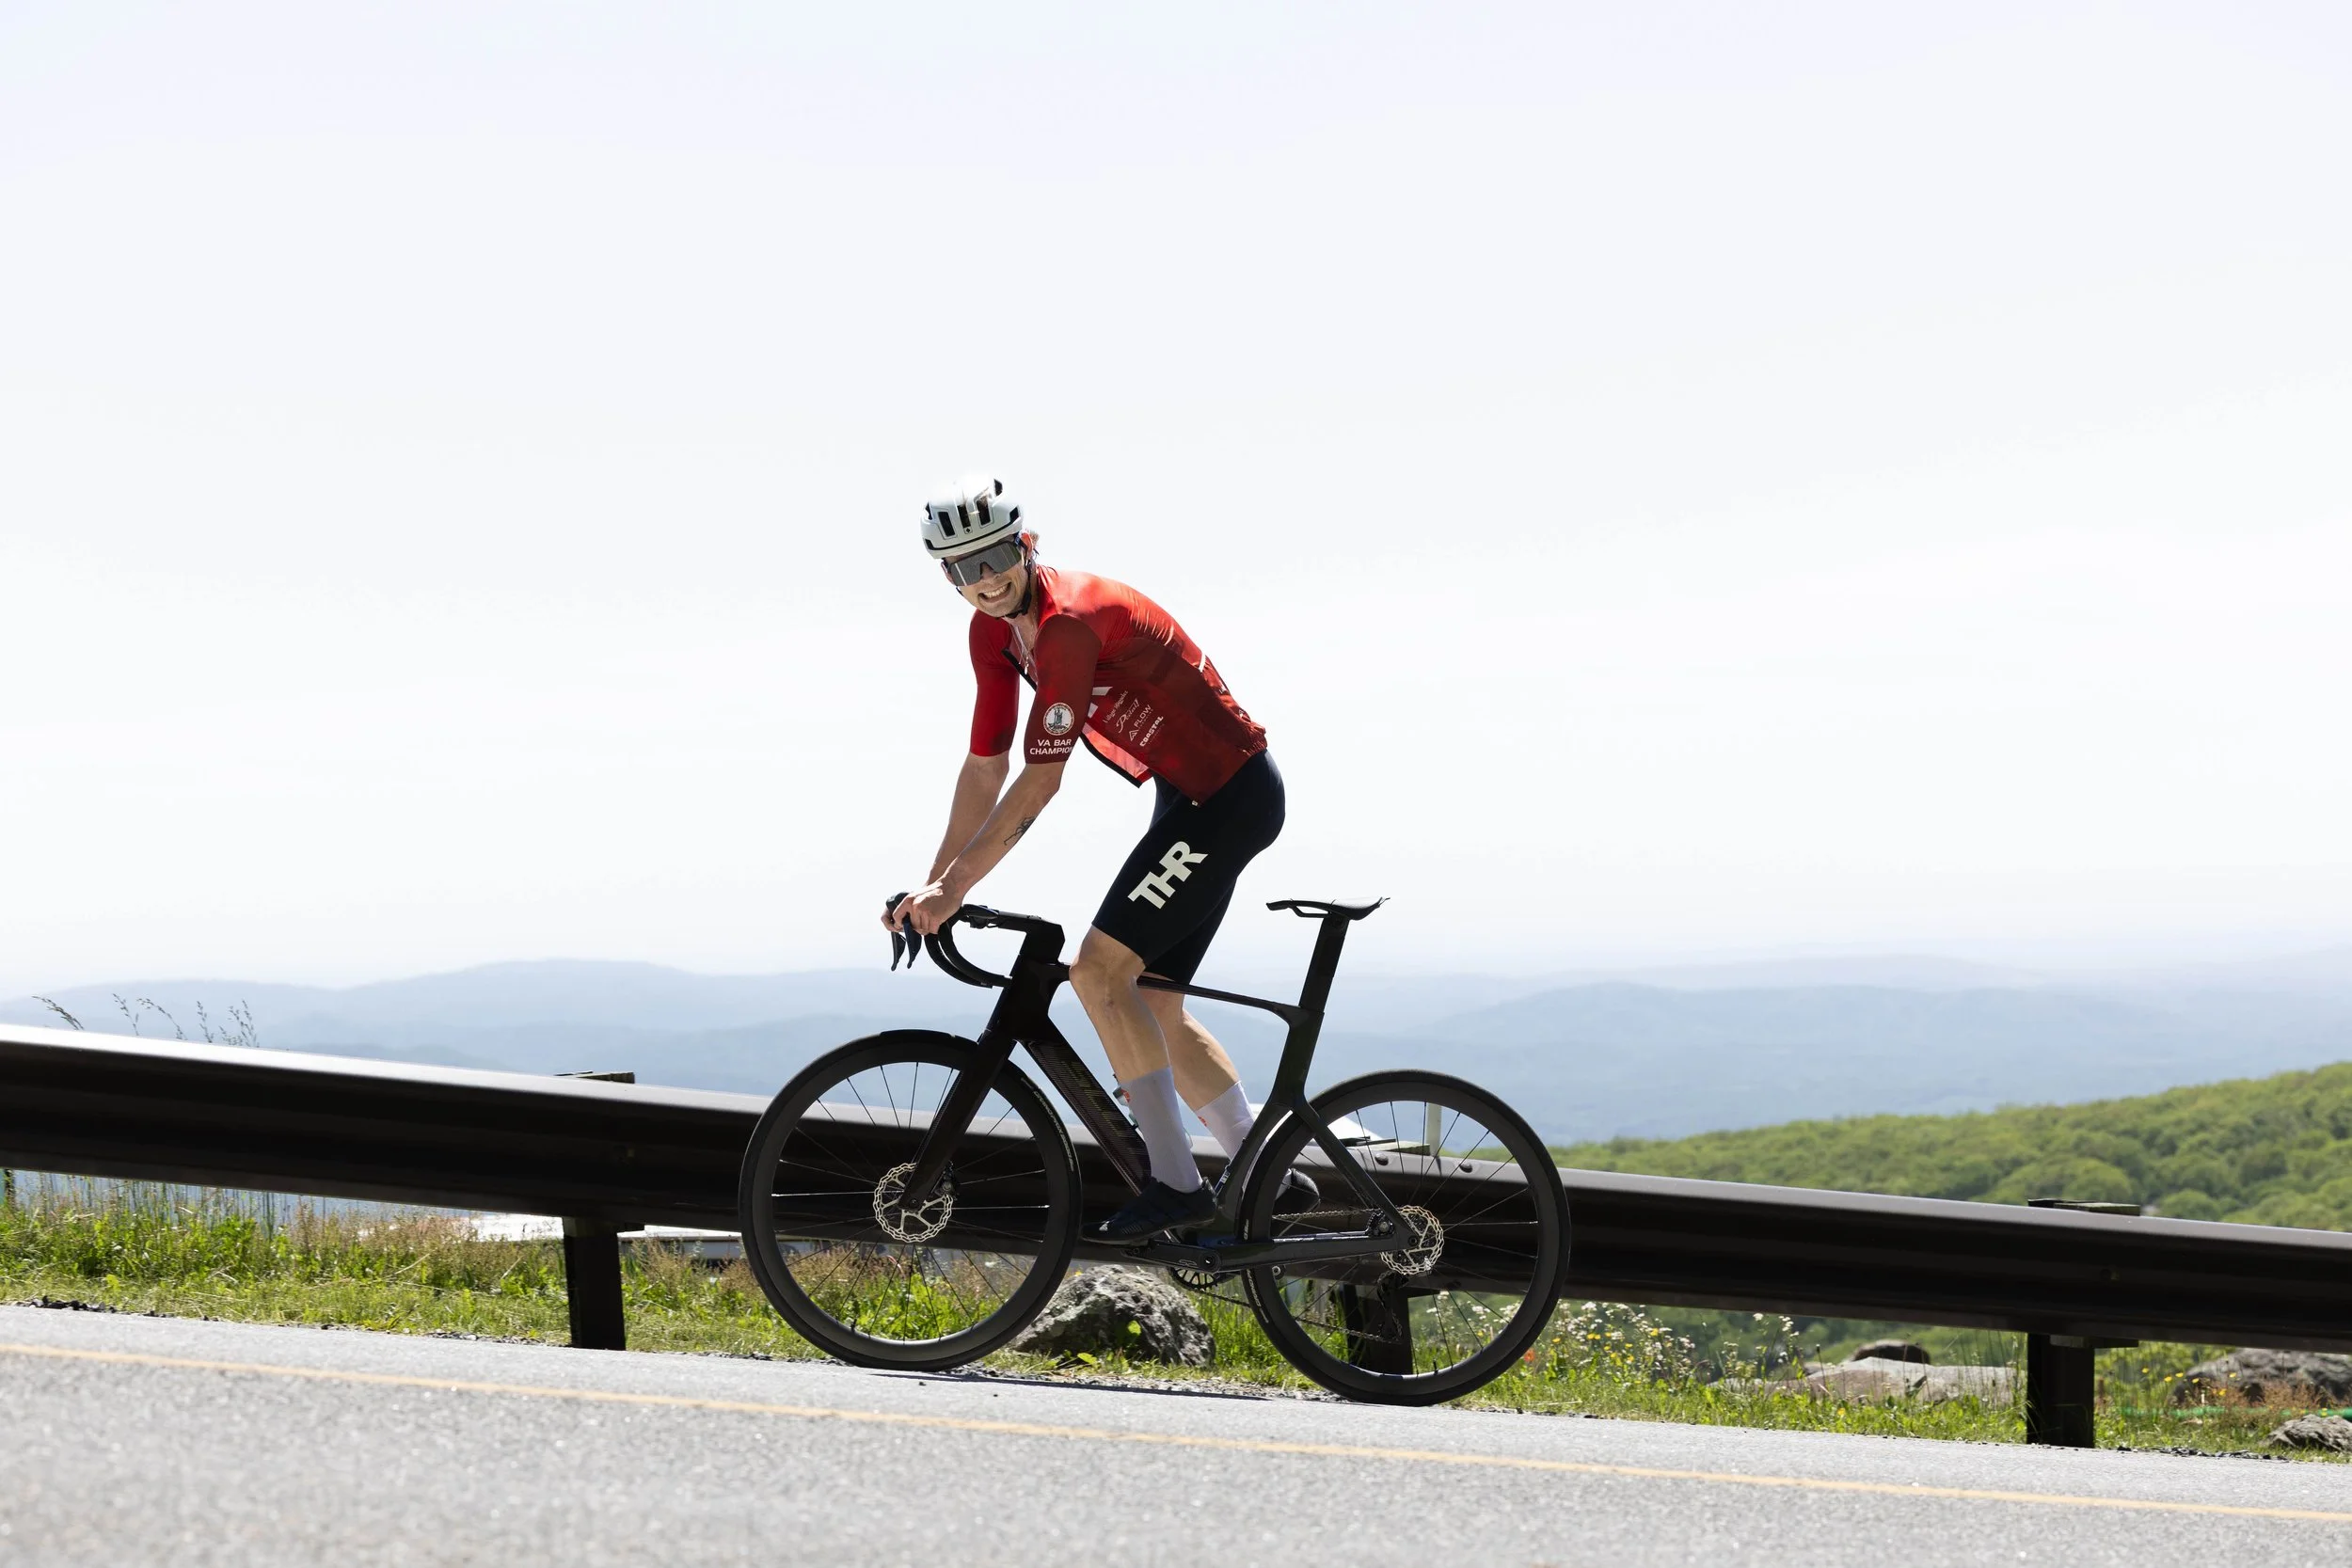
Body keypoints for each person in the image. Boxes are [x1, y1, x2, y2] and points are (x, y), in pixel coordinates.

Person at [885, 475, 1302, 1243]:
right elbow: (985, 767)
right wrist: (934, 881)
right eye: (961, 568)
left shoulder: (1068, 623)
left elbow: (1041, 778)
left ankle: (1178, 1185)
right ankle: (1268, 1172)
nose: (984, 578)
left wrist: (956, 887)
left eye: (996, 554)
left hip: (1230, 798)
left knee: (1098, 972)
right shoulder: (993, 632)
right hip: (1195, 797)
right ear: (947, 577)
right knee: (1153, 1000)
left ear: (1026, 545)